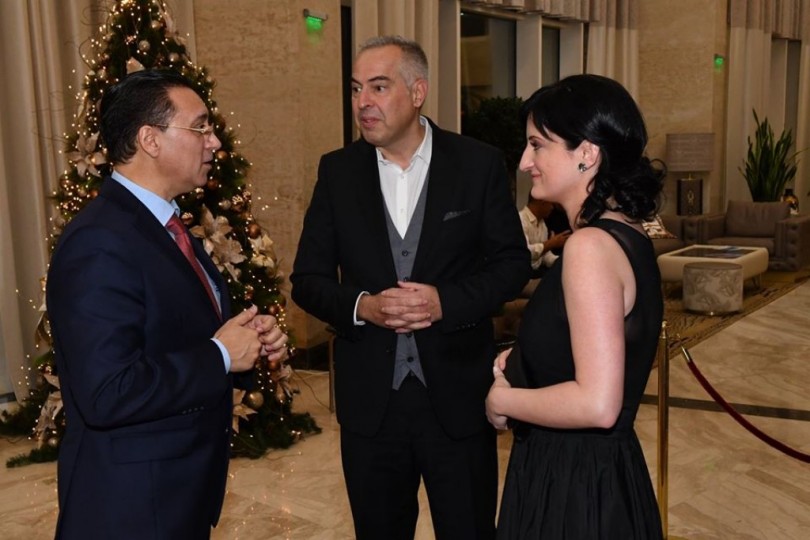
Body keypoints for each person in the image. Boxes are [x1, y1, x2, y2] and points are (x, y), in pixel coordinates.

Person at [291, 36, 530, 539]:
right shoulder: (337, 172)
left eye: (378, 87)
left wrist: (446, 302)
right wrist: (364, 306)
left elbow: (511, 265)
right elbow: (307, 281)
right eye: (356, 88)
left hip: (459, 400)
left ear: (417, 92)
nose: (363, 102)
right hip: (370, 406)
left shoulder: (477, 164)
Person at [46, 69, 288, 539]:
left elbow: (180, 335)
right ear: (150, 140)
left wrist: (248, 344)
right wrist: (221, 355)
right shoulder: (99, 241)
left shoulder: (167, 226)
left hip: (177, 493)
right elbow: (107, 392)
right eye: (200, 127)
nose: (214, 142)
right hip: (132, 507)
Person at [485, 74, 666, 539]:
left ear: (587, 153)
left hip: (573, 487)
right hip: (600, 476)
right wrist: (528, 359)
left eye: (537, 145)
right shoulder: (626, 233)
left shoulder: (589, 247)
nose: (525, 162)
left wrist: (504, 399)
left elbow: (598, 403)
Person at [519, 194, 571, 279]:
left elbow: (544, 256)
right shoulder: (520, 220)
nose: (552, 208)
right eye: (551, 204)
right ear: (542, 202)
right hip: (522, 275)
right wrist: (551, 243)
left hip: (537, 272)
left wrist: (563, 262)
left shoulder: (542, 223)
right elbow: (525, 252)